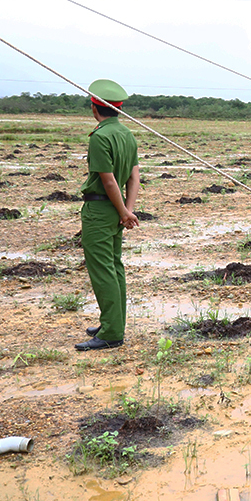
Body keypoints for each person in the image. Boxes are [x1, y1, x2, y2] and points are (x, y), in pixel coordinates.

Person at [76, 79, 140, 351]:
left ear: (95, 108)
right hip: (117, 209)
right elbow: (134, 177)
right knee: (114, 267)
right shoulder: (127, 134)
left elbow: (109, 181)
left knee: (103, 271)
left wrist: (123, 210)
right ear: (118, 109)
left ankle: (113, 333)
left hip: (102, 210)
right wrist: (128, 210)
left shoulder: (100, 137)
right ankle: (112, 322)